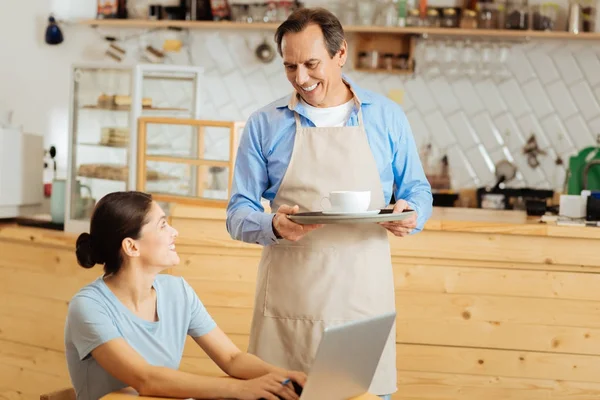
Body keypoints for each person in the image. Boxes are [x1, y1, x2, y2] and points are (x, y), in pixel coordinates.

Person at [225, 7, 433, 400]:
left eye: (311, 64)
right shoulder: (264, 124)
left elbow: (418, 190)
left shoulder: (385, 117)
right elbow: (237, 213)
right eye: (289, 67)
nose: (301, 78)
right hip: (289, 300)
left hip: (362, 300)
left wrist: (412, 213)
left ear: (341, 55)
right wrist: (271, 225)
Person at [64, 191, 306, 400]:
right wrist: (240, 389)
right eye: (162, 225)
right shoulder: (88, 306)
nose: (174, 232)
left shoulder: (177, 291)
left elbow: (232, 358)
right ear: (132, 247)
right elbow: (144, 378)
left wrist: (283, 376)